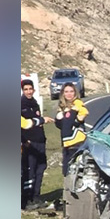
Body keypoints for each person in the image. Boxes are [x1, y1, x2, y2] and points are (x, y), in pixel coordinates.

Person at [21, 79, 51, 210]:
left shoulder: (35, 103)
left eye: (30, 89)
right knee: (30, 171)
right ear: (22, 90)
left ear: (33, 90)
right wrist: (24, 141)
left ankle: (36, 196)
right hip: (29, 143)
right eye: (25, 89)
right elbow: (24, 125)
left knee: (41, 168)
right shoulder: (20, 104)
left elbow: (38, 124)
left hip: (40, 141)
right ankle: (27, 199)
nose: (28, 91)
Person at [55, 82, 88, 176]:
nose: (69, 94)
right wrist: (58, 118)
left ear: (75, 93)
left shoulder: (77, 103)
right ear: (63, 93)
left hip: (77, 142)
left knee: (75, 168)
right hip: (67, 143)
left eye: (71, 91)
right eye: (66, 92)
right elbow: (60, 125)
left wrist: (76, 118)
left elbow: (84, 113)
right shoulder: (62, 106)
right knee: (66, 170)